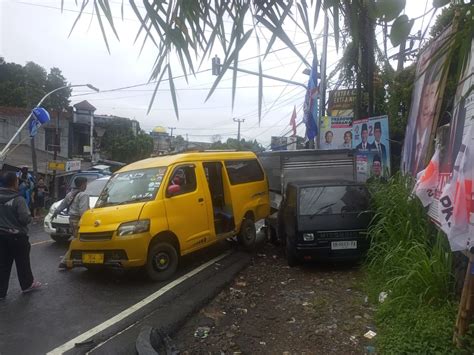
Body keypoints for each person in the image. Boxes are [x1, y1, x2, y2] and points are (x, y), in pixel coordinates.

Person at [0, 172, 41, 299]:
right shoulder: (18, 199)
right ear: (14, 183)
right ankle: (27, 285)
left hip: (1, 236)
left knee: (3, 264)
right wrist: (30, 217)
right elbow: (24, 219)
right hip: (17, 237)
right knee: (22, 262)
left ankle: (1, 292)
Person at [51, 177, 90, 269]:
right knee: (78, 240)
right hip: (78, 220)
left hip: (71, 220)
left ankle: (71, 259)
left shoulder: (70, 194)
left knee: (78, 240)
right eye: (85, 184)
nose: (86, 186)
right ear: (82, 184)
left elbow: (62, 205)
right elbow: (83, 212)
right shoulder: (83, 195)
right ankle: (65, 261)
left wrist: (55, 213)